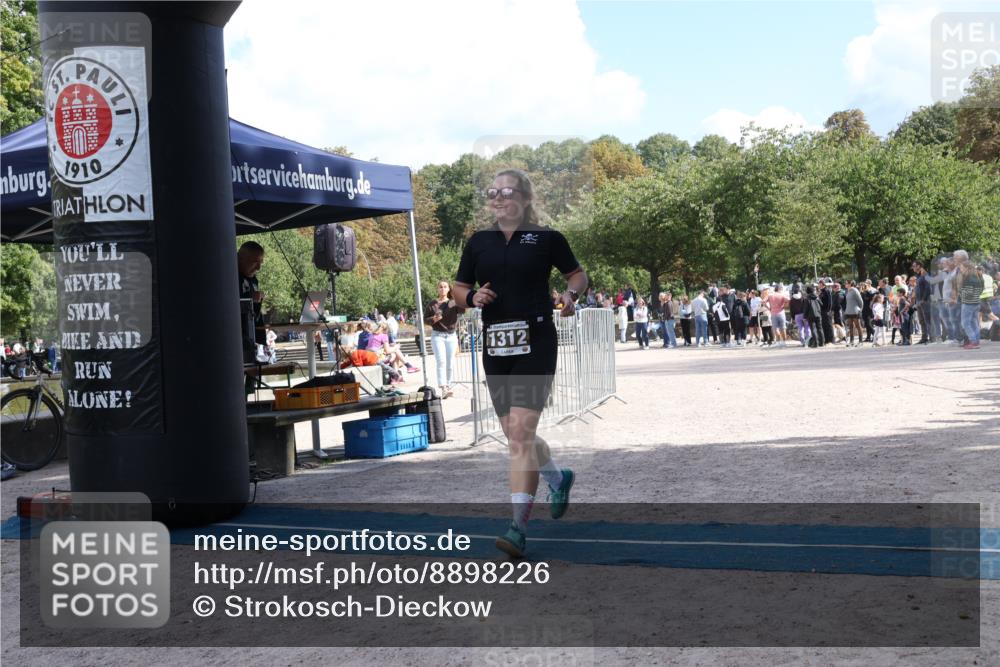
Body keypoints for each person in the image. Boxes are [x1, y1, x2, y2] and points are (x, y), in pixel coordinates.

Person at [452, 168, 587, 558]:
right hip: (496, 347)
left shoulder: (547, 238)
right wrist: (471, 298)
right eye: (492, 192)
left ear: (525, 198)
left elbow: (577, 276)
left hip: (536, 342)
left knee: (520, 437)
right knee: (516, 435)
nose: (498, 198)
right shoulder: (479, 242)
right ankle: (557, 479)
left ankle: (517, 528)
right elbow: (459, 287)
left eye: (507, 191)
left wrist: (570, 295)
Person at [425, 280, 464, 398]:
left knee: (450, 363)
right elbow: (425, 319)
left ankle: (449, 385)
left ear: (448, 289)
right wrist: (434, 319)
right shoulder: (432, 303)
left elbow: (463, 310)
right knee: (441, 361)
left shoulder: (453, 302)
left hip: (451, 335)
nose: (442, 289)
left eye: (445, 287)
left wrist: (457, 300)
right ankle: (443, 388)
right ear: (437, 289)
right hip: (437, 335)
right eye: (440, 287)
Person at [238, 241, 266, 393]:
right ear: (241, 258)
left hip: (251, 338)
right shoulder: (229, 276)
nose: (259, 268)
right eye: (255, 262)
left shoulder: (254, 280)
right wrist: (250, 298)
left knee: (249, 387)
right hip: (237, 340)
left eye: (261, 263)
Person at [954, 251, 983, 349]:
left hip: (968, 303)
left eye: (962, 268)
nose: (960, 269)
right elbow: (980, 290)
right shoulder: (976, 277)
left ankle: (973, 341)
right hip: (976, 302)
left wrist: (960, 292)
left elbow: (968, 292)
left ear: (967, 268)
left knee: (965, 323)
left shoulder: (968, 278)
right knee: (974, 323)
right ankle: (976, 341)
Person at [844, 280, 864, 347]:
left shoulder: (855, 290)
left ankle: (860, 341)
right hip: (849, 311)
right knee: (850, 326)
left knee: (858, 326)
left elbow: (860, 301)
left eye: (846, 283)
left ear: (850, 284)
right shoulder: (848, 291)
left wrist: (860, 309)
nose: (845, 284)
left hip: (855, 311)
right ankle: (851, 341)